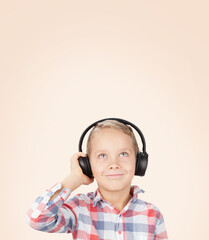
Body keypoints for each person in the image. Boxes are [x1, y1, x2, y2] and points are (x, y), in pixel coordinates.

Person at [25, 119, 168, 239]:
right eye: (102, 156)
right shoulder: (79, 208)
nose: (114, 164)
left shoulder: (153, 215)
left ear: (139, 162)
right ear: (87, 165)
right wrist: (74, 178)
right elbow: (37, 219)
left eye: (123, 154)